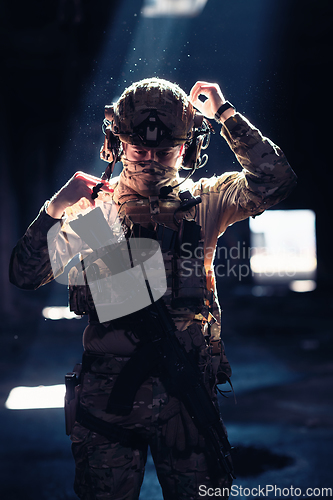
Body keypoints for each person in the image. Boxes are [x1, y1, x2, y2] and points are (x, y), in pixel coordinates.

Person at [9, 78, 297, 500]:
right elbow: (26, 273)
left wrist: (225, 115)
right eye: (139, 150)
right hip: (109, 403)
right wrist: (55, 208)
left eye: (164, 152)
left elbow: (276, 181)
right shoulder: (94, 209)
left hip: (186, 398)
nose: (150, 162)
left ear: (188, 148)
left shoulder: (205, 200)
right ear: (117, 145)